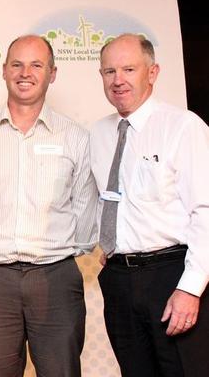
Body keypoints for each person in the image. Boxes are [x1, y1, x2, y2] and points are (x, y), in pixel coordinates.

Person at [0, 35, 97, 377]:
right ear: (4, 71)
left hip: (55, 276)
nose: (26, 73)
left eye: (37, 65)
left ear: (52, 73)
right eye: (17, 64)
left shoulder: (76, 138)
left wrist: (58, 251)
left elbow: (84, 215)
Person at [91, 33, 209, 377]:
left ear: (153, 72)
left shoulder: (184, 127)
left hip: (171, 275)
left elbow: (205, 210)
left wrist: (190, 288)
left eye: (129, 69)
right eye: (109, 71)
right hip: (118, 279)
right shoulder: (98, 133)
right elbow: (104, 200)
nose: (118, 80)